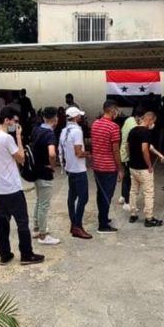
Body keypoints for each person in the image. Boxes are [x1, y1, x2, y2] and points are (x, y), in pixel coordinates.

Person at [0, 106, 45, 265]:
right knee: (22, 222)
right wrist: (18, 136)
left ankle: (4, 254)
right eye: (15, 121)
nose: (16, 124)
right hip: (11, 187)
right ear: (7, 120)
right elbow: (21, 158)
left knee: (2, 222)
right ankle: (26, 254)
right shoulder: (6, 139)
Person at [90, 100, 122, 234]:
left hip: (97, 164)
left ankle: (103, 217)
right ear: (112, 110)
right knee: (107, 195)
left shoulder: (95, 124)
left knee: (100, 193)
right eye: (116, 110)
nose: (117, 112)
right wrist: (120, 168)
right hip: (109, 166)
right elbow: (115, 150)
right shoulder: (113, 127)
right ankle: (103, 224)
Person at [60, 107, 92, 239]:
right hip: (78, 169)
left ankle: (73, 223)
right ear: (75, 117)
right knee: (83, 197)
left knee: (72, 197)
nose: (81, 117)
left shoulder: (64, 131)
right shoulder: (77, 131)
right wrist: (88, 154)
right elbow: (78, 152)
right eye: (79, 115)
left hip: (69, 167)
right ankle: (77, 225)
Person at [127, 111, 161, 227]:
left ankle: (133, 213)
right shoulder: (145, 132)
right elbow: (144, 149)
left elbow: (127, 146)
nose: (153, 124)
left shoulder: (132, 131)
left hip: (132, 166)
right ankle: (149, 217)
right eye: (153, 122)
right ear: (149, 120)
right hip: (143, 168)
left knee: (133, 191)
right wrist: (149, 165)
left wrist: (129, 159)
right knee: (149, 192)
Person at [31, 107, 60, 244]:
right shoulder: (50, 134)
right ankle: (43, 235)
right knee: (44, 204)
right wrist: (52, 166)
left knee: (38, 200)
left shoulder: (36, 130)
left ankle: (36, 228)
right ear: (55, 119)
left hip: (35, 170)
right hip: (44, 171)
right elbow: (52, 153)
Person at [118, 109, 141, 210]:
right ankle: (127, 202)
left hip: (123, 152)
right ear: (137, 116)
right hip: (128, 155)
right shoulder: (135, 127)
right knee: (129, 179)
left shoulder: (128, 120)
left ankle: (123, 196)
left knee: (126, 176)